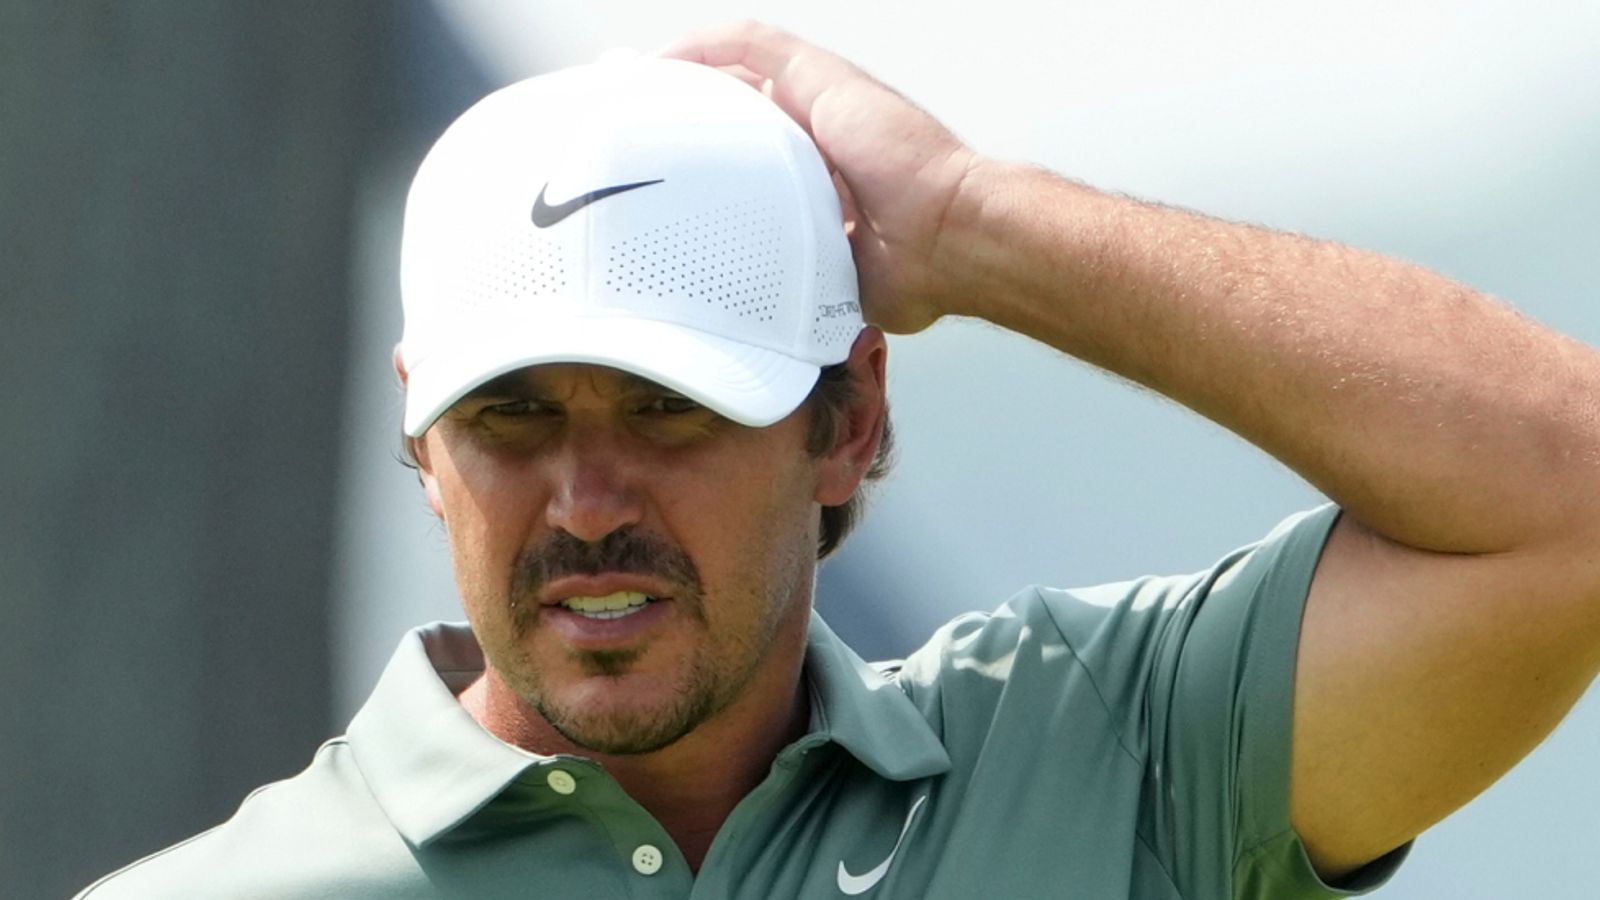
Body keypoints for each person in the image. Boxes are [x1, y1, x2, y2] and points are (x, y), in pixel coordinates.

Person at [77, 22, 1600, 900]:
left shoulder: (1108, 759)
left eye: (670, 408)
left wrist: (968, 222)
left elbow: (1570, 495)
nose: (587, 504)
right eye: (515, 416)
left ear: (850, 418)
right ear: (424, 437)